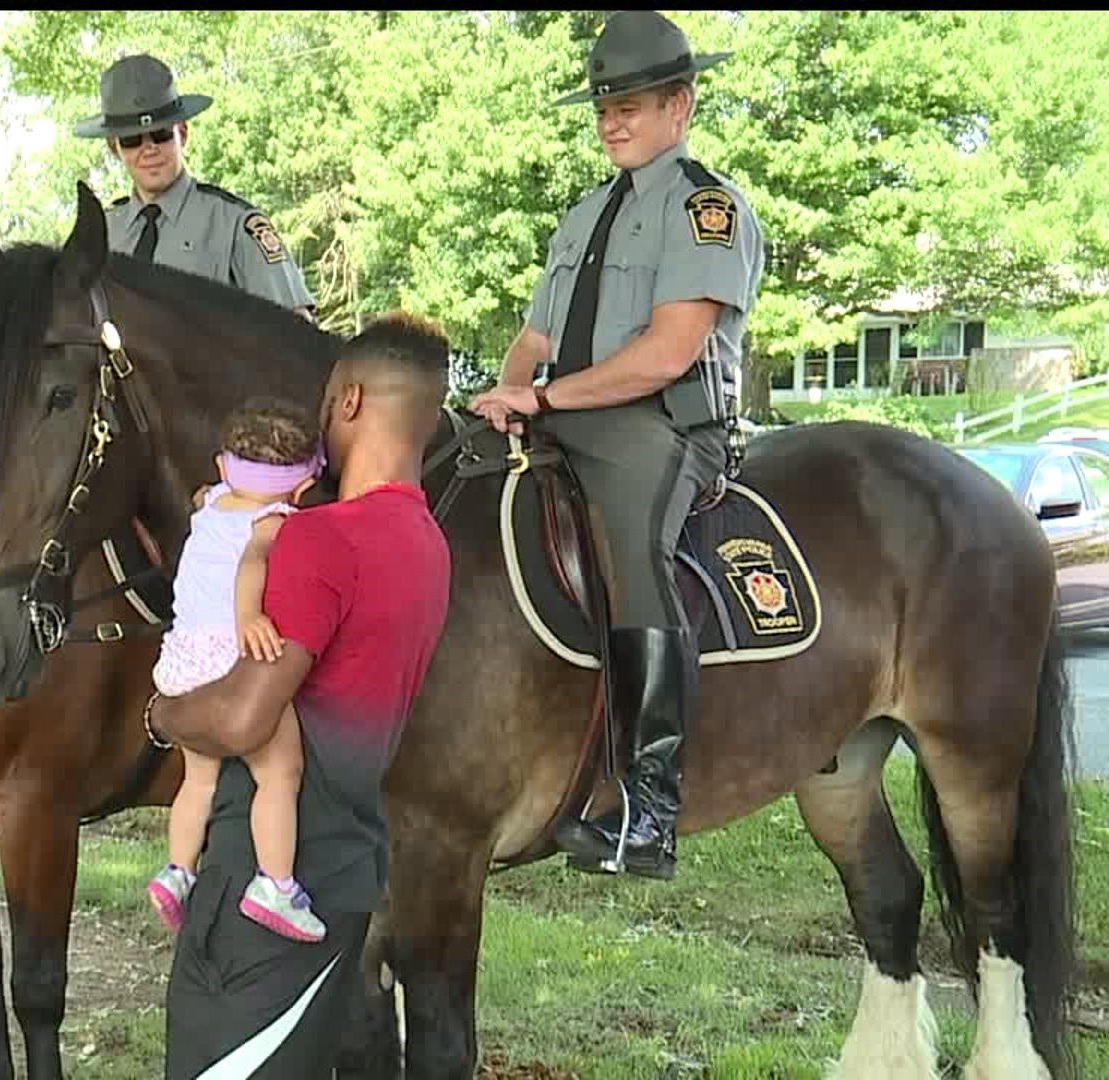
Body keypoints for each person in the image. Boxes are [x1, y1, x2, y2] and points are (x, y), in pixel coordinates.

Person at [467, 10, 767, 883]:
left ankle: (651, 801)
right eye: (603, 106)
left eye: (631, 104)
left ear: (681, 105)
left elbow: (670, 352)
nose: (612, 121)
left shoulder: (706, 209)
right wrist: (502, 397)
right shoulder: (583, 216)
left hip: (669, 427)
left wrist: (547, 396)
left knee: (634, 544)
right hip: (567, 415)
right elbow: (534, 340)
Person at [147, 313, 453, 1078]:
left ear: (348, 401)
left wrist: (161, 713)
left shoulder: (318, 539)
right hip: (346, 871)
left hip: (261, 884)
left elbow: (243, 715)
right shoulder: (427, 542)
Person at [146, 398, 328, 943]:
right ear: (300, 488)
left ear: (224, 468)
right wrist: (250, 615)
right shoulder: (272, 518)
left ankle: (177, 871)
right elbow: (254, 560)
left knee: (198, 781)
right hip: (230, 661)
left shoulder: (212, 501)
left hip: (182, 660)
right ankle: (275, 885)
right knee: (278, 774)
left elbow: (205, 491)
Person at [76, 53, 318, 321]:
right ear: (114, 147)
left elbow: (299, 333)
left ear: (183, 132)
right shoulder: (101, 235)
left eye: (161, 134)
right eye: (132, 139)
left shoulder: (234, 225)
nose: (149, 150)